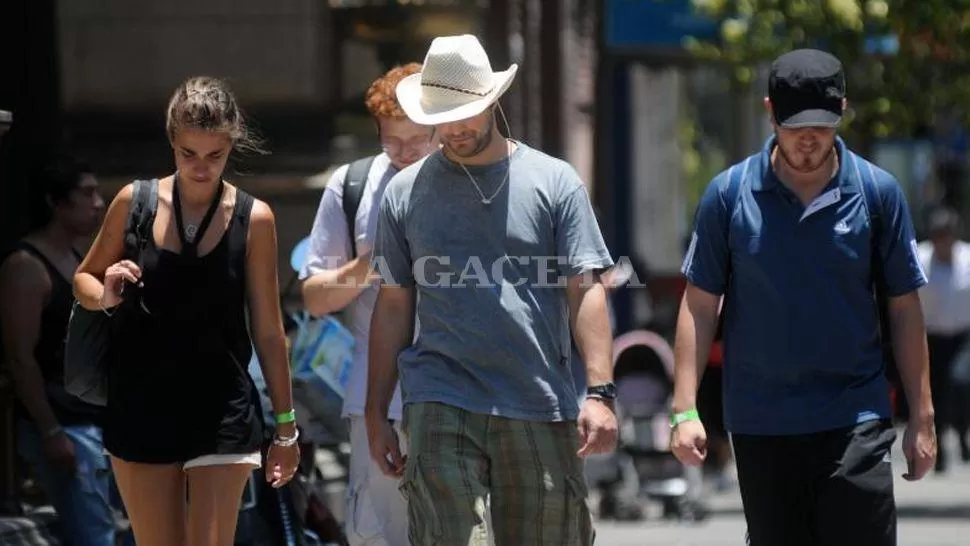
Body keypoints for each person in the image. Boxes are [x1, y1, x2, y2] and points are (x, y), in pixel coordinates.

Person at [670, 48, 937, 546]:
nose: (809, 138)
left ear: (842, 111)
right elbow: (699, 305)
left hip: (854, 414)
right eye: (795, 126)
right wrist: (685, 410)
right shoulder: (728, 195)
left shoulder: (877, 193)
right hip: (762, 421)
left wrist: (923, 418)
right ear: (771, 112)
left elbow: (904, 308)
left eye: (822, 124)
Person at [365, 34, 618, 546]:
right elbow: (393, 306)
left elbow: (585, 289)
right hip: (439, 395)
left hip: (536, 397)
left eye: (467, 113)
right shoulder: (404, 193)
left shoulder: (554, 181)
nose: (455, 128)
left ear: (493, 101)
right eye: (442, 117)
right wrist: (376, 412)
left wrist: (600, 393)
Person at [72, 76, 300, 546]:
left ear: (231, 144)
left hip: (223, 407)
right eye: (188, 153)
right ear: (171, 142)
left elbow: (269, 330)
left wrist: (286, 428)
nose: (201, 167)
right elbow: (83, 279)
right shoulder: (133, 202)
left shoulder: (255, 219)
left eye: (215, 155)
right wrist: (106, 295)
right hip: (141, 401)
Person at [299, 62, 438, 546]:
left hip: (461, 391)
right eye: (391, 141)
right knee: (380, 533)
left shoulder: (468, 182)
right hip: (377, 400)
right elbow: (315, 298)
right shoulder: (352, 185)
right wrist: (370, 264)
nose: (404, 153)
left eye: (417, 140)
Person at [0, 155, 115, 545]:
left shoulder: (79, 259)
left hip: (93, 417)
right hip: (62, 422)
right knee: (94, 535)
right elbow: (20, 357)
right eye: (86, 193)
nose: (98, 203)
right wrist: (49, 429)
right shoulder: (26, 267)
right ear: (55, 201)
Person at [917, 207, 970, 470]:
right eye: (938, 235)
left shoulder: (967, 259)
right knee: (936, 393)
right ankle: (940, 451)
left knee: (960, 383)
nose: (942, 242)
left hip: (963, 337)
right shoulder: (919, 258)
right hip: (931, 338)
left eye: (947, 235)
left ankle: (961, 434)